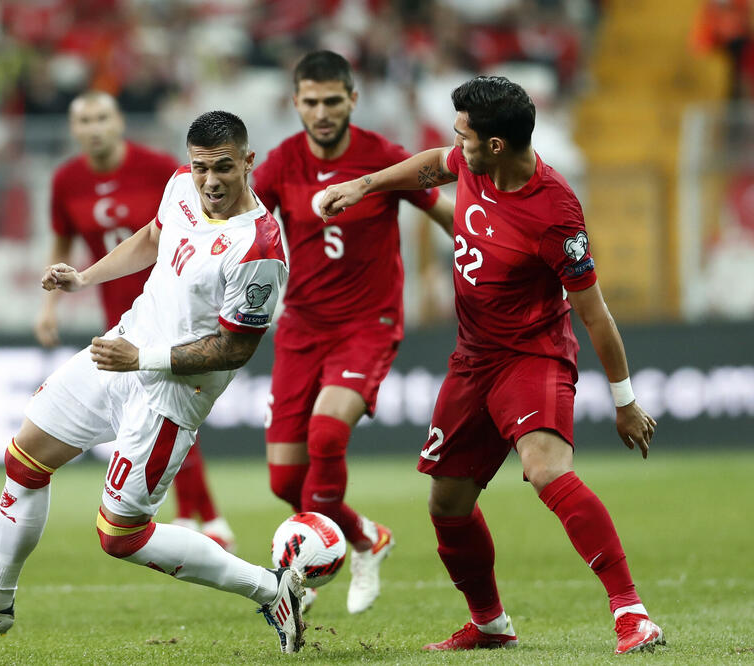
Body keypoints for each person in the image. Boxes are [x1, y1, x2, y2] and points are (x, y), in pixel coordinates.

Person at [0, 111, 306, 654]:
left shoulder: (259, 248)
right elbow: (151, 237)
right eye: (200, 168)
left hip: (172, 391)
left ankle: (269, 586)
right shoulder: (179, 187)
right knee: (25, 456)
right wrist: (84, 278)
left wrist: (141, 357)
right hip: (122, 348)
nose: (210, 181)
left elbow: (235, 349)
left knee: (119, 536)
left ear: (247, 162)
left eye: (222, 168)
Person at [319, 76, 665, 655]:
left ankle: (632, 613)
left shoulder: (556, 214)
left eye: (464, 134)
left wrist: (625, 401)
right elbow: (434, 162)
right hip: (472, 358)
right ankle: (489, 623)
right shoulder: (476, 161)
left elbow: (596, 315)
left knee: (546, 469)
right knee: (447, 505)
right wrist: (366, 185)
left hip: (533, 354)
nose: (457, 142)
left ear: (497, 144)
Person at [252, 50, 455, 615]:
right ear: (295, 103)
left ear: (352, 100)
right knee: (284, 478)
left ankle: (304, 575)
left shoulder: (382, 158)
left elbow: (442, 210)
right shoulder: (280, 164)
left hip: (368, 324)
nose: (321, 112)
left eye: (332, 101)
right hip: (300, 327)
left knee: (325, 437)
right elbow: (245, 223)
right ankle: (365, 536)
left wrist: (484, 247)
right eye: (310, 102)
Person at [38, 90, 236, 551]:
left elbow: (185, 229)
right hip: (120, 314)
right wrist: (50, 305)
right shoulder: (67, 180)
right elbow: (62, 241)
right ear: (73, 129)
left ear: (120, 121)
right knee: (153, 413)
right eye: (84, 119)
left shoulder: (158, 169)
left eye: (102, 117)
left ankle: (205, 517)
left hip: (173, 307)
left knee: (171, 405)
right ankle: (195, 515)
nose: (94, 127)